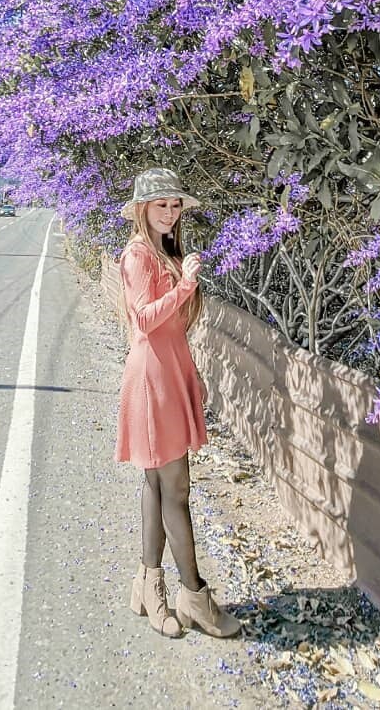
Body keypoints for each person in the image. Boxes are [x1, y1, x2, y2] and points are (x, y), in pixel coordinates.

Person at [115, 166, 241, 640]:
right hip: (150, 381)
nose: (169, 212)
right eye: (160, 204)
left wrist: (193, 376)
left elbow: (174, 331)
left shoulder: (167, 253)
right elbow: (145, 321)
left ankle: (148, 587)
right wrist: (185, 284)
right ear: (142, 210)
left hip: (169, 375)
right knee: (177, 490)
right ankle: (195, 596)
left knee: (158, 487)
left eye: (174, 205)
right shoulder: (137, 256)